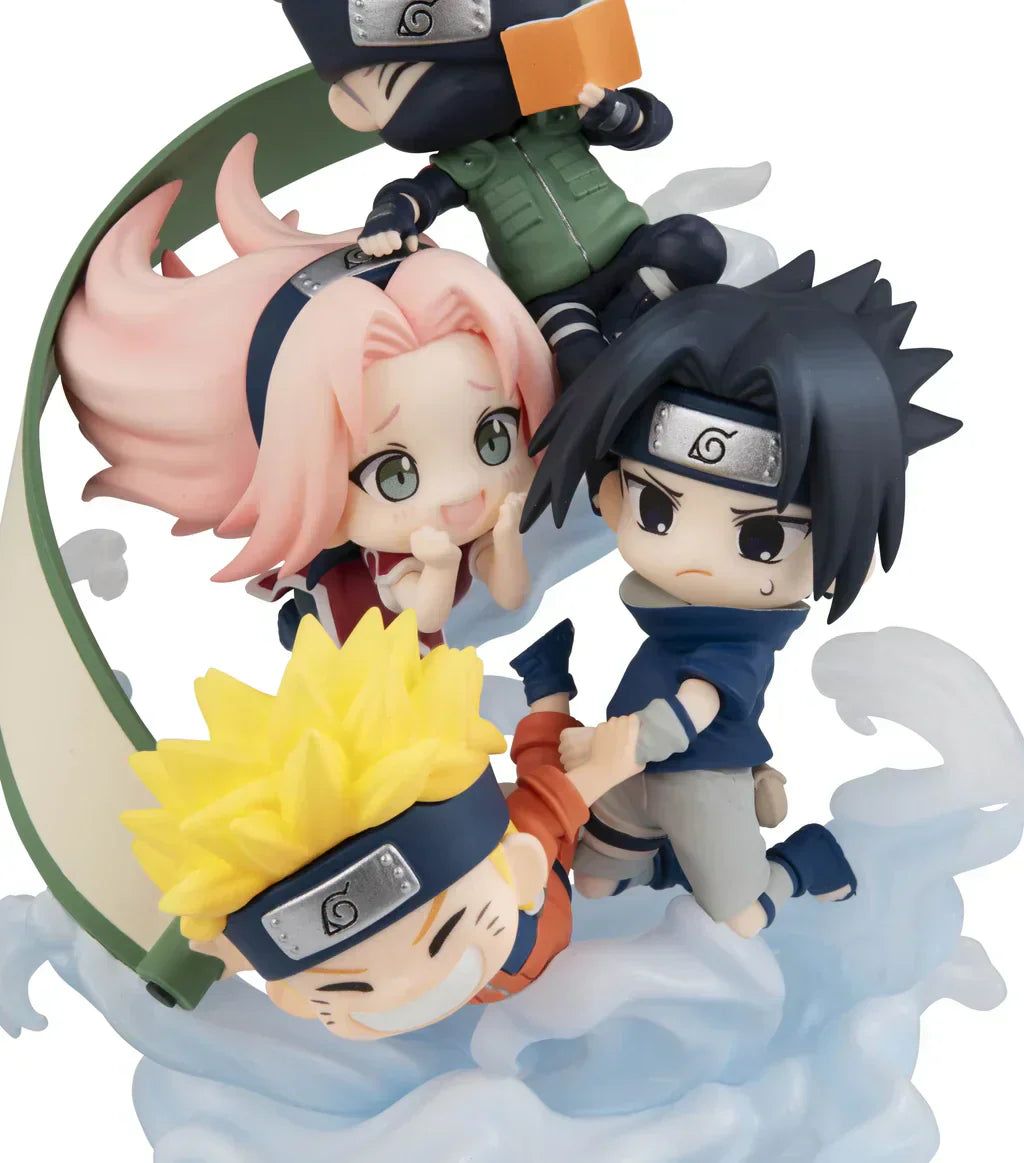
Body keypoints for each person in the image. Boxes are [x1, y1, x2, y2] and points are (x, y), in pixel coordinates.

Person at [521, 252, 961, 937]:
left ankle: (803, 862)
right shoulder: (665, 616)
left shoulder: (737, 645)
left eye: (762, 538)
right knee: (597, 880)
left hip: (697, 778)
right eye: (657, 509)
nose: (692, 555)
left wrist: (615, 744)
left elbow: (691, 712)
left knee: (742, 919)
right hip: (630, 780)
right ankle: (676, 862)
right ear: (613, 493)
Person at [57, 134, 556, 650]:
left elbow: (510, 592)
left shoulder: (472, 522)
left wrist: (504, 540)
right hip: (356, 636)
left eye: (494, 438)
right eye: (395, 476)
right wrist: (440, 564)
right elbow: (425, 612)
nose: (463, 494)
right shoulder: (400, 550)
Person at [122, 609, 643, 1039]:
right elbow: (244, 942)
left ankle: (548, 686)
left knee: (543, 771)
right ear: (292, 1000)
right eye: (348, 989)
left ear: (518, 869)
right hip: (508, 980)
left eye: (441, 938)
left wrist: (607, 767)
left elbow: (555, 796)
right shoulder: (277, 938)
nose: (402, 988)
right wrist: (212, 948)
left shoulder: (527, 851)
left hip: (548, 902)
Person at [277, 0, 727, 379]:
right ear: (354, 107)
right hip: (554, 294)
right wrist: (390, 220)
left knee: (696, 243)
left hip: (630, 247)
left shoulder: (559, 117)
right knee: (576, 361)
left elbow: (651, 125)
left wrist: (616, 111)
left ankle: (629, 319)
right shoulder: (465, 164)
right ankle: (616, 347)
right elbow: (416, 195)